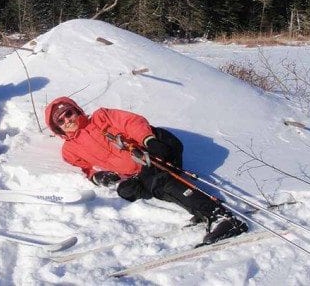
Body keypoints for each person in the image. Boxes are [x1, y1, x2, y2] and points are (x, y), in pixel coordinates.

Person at [44, 97, 248, 245]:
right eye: (60, 121)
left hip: (156, 145)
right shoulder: (69, 150)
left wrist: (149, 141)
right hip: (139, 168)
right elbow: (85, 168)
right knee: (128, 190)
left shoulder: (101, 117)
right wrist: (97, 176)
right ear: (57, 129)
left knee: (158, 181)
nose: (67, 120)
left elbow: (131, 122)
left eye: (68, 113)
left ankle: (221, 216)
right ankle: (195, 203)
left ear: (76, 110)